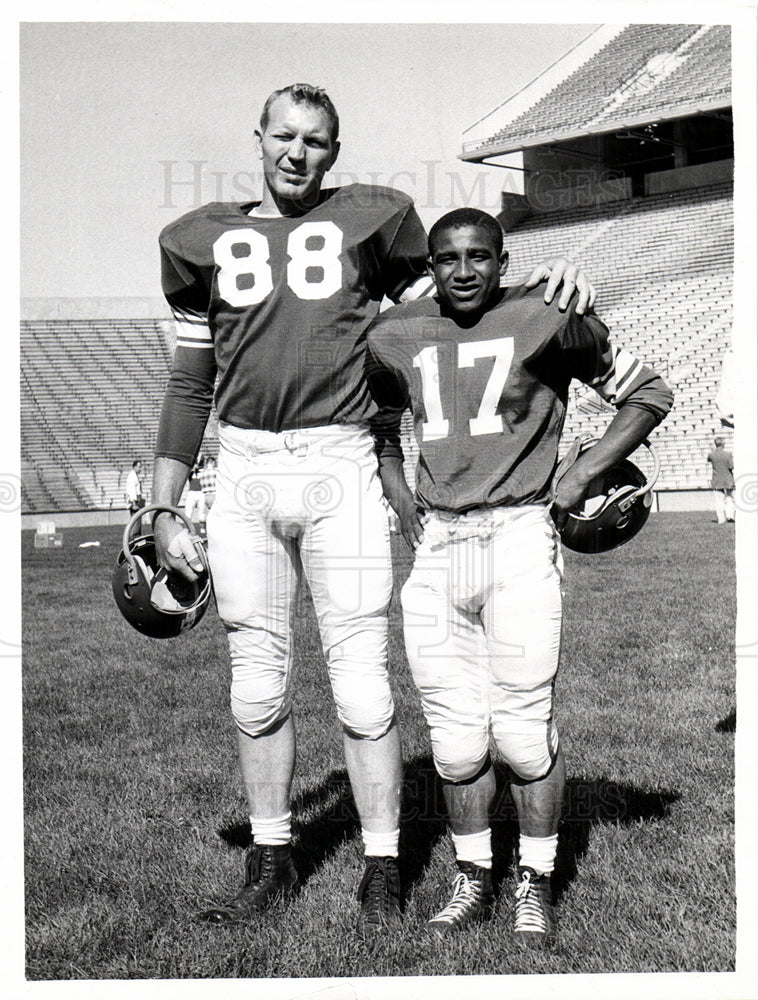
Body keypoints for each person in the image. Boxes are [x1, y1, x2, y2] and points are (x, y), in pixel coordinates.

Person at [149, 83, 596, 934]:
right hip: (243, 465)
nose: (297, 152)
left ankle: (384, 861)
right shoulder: (198, 237)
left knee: (360, 681)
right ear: (258, 137)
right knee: (254, 678)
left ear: (334, 149)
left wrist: (548, 281)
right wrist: (164, 505)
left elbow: (463, 292)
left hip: (341, 456)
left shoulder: (375, 219)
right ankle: (271, 856)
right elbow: (188, 380)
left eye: (316, 140)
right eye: (284, 135)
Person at [367, 208, 673, 947]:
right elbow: (379, 425)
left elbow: (649, 393)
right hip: (441, 543)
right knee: (454, 740)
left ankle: (534, 879)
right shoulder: (394, 333)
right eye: (447, 258)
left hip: (516, 533)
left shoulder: (547, 316)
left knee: (525, 734)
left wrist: (584, 472)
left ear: (504, 261)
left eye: (479, 256)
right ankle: (473, 875)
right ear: (430, 266)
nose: (464, 270)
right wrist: (399, 490)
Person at [707, 437, 735, 524]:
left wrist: (713, 450)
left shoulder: (711, 454)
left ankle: (721, 519)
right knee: (730, 498)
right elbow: (731, 466)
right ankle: (730, 516)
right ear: (723, 444)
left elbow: (709, 460)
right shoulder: (728, 454)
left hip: (717, 480)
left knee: (719, 500)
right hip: (728, 479)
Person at [183, 458, 207, 530]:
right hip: (192, 492)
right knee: (188, 511)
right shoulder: (190, 472)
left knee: (202, 511)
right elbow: (186, 472)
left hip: (201, 492)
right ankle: (187, 528)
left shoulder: (203, 472)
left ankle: (202, 528)